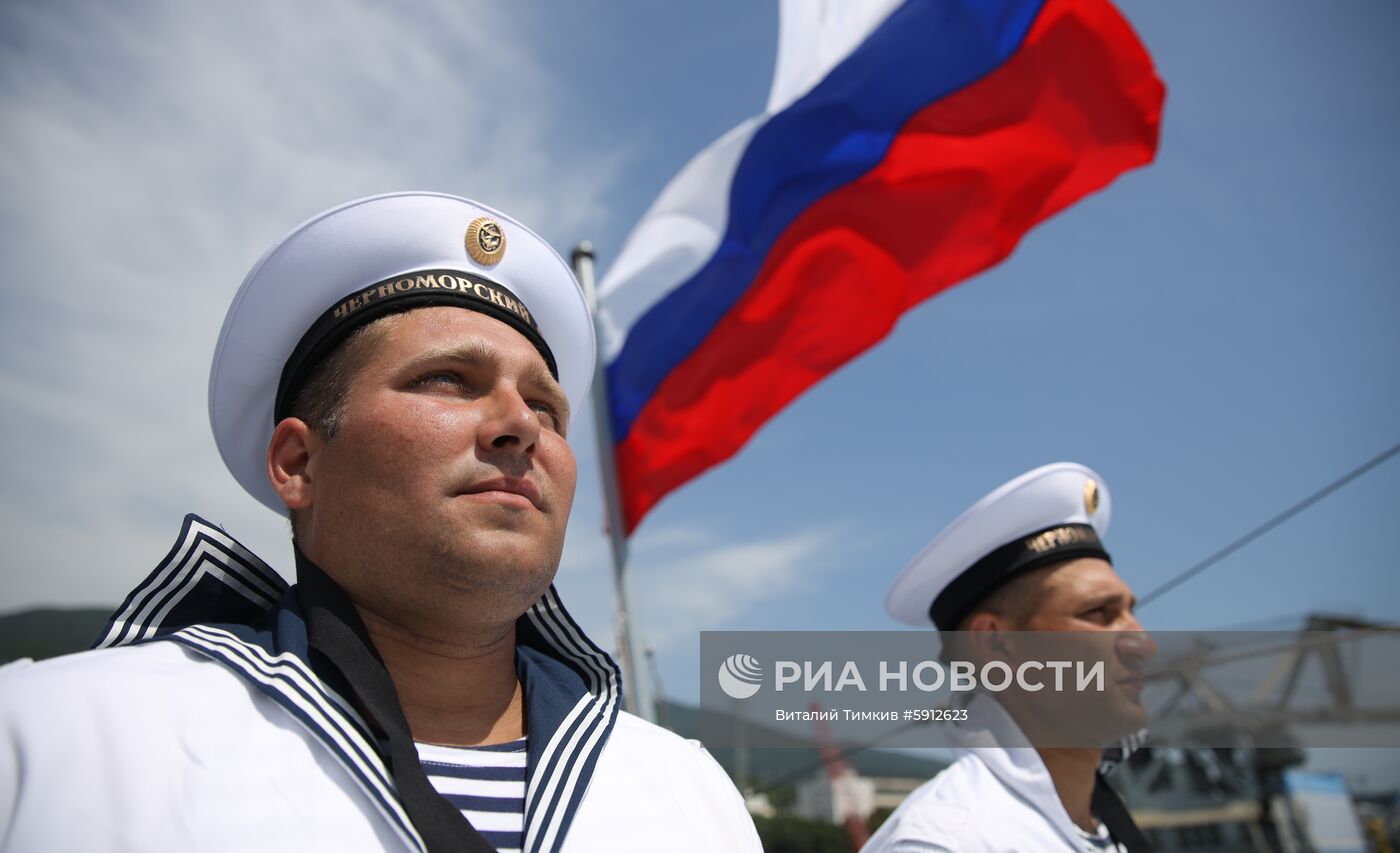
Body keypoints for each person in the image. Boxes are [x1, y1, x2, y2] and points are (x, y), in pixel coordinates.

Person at [0, 192, 762, 852]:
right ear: (299, 462)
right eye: (447, 379)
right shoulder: (54, 742)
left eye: (545, 407)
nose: (519, 426)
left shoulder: (690, 795)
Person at [862, 463, 1157, 853]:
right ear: (996, 643)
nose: (1143, 643)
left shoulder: (1105, 828)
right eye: (1098, 613)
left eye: (1130, 611)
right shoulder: (945, 844)